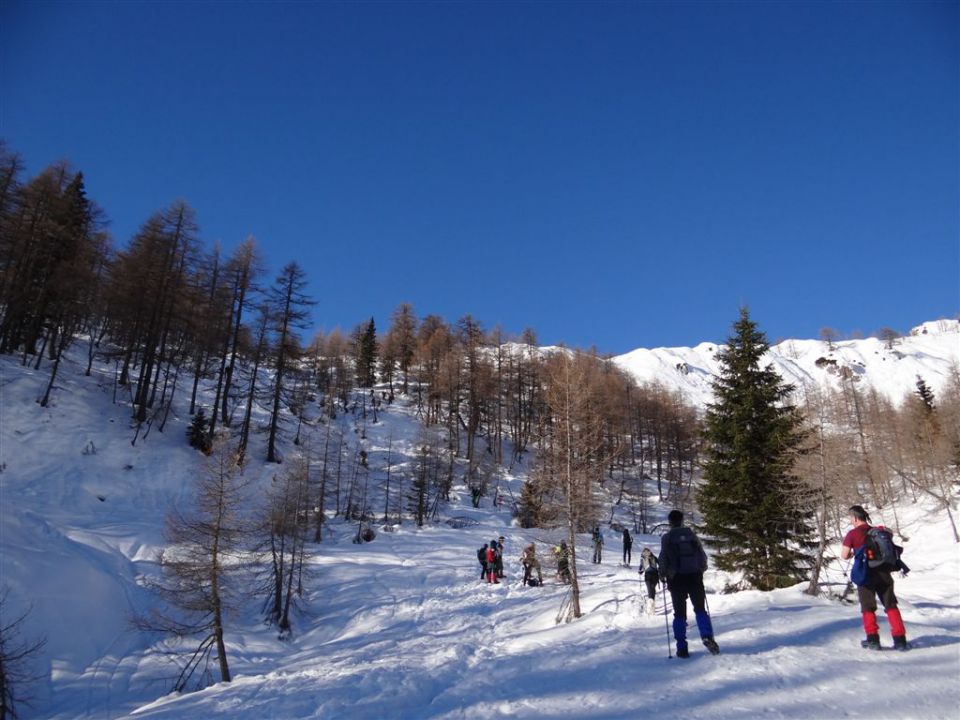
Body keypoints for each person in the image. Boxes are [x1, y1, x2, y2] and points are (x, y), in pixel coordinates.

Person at [840, 504, 908, 650]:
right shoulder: (878, 532)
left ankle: (873, 639)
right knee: (890, 605)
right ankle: (900, 639)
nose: (850, 521)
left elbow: (844, 555)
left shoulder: (853, 534)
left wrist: (854, 553)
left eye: (851, 518)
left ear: (855, 518)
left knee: (868, 606)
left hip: (865, 574)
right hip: (884, 572)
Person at [658, 510, 719, 658]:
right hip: (694, 577)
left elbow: (663, 558)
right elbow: (702, 557)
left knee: (679, 614)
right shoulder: (692, 535)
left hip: (676, 579)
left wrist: (662, 574)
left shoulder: (667, 538)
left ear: (670, 521)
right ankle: (706, 635)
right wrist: (700, 571)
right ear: (682, 520)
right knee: (700, 609)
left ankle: (682, 647)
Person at [638, 547, 659, 615]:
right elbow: (660, 564)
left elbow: (640, 568)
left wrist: (640, 572)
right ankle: (653, 605)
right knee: (652, 589)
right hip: (655, 575)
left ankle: (650, 608)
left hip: (648, 576)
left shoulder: (643, 558)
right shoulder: (654, 557)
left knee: (650, 590)